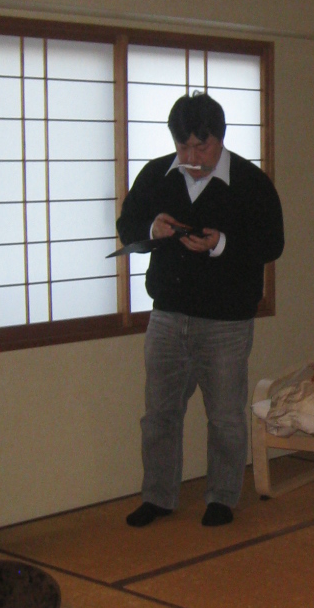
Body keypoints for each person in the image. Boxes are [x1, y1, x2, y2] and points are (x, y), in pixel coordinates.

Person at [117, 92, 284, 528]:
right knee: (159, 415)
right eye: (183, 146)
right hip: (167, 315)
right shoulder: (157, 175)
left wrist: (221, 244)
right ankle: (158, 496)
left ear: (220, 139)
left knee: (225, 417)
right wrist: (152, 228)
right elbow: (127, 225)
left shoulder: (250, 181)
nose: (192, 157)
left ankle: (222, 498)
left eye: (201, 146)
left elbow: (272, 244)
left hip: (227, 320)